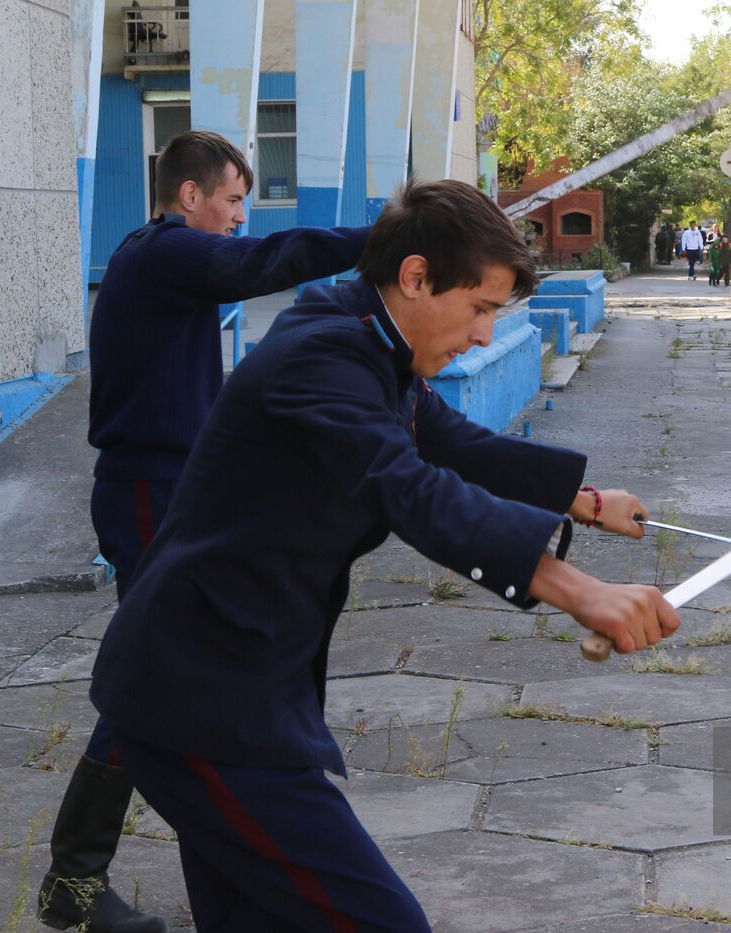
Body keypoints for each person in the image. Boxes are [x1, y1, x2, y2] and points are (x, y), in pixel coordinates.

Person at [84, 179, 681, 930]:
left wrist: (585, 500)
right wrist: (575, 588)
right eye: (481, 308)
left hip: (242, 697)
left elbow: (450, 441)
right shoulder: (321, 357)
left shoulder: (368, 340)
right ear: (416, 276)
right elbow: (403, 484)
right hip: (201, 703)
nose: (485, 335)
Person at [40, 130, 371, 933]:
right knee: (155, 676)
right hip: (147, 492)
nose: (237, 218)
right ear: (190, 196)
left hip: (172, 489)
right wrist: (386, 234)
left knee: (178, 675)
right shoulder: (162, 254)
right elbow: (265, 262)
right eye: (230, 200)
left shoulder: (160, 262)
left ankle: (177, 867)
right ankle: (74, 882)